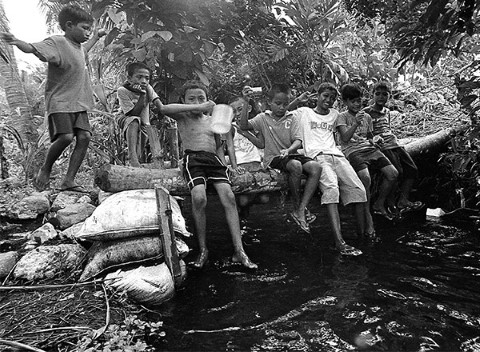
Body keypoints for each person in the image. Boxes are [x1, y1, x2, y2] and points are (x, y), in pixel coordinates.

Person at [1, 5, 105, 192]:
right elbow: (33, 48)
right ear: (69, 25)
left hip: (79, 102)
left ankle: (69, 180)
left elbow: (85, 51)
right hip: (61, 101)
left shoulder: (79, 47)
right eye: (85, 28)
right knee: (66, 137)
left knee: (85, 137)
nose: (88, 33)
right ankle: (45, 169)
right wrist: (16, 41)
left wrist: (97, 36)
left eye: (90, 29)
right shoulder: (57, 43)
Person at [170, 80, 257, 270]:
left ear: (208, 100)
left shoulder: (213, 121)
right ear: (184, 101)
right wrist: (199, 106)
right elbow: (163, 109)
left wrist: (227, 167)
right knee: (199, 197)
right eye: (191, 99)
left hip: (214, 161)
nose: (197, 102)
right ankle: (203, 250)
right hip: (193, 159)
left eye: (201, 98)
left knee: (229, 197)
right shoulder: (183, 117)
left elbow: (219, 146)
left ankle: (239, 251)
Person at [290, 82, 366, 255]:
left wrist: (355, 123)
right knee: (331, 189)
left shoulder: (335, 114)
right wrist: (297, 100)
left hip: (337, 156)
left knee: (359, 190)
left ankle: (363, 238)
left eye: (332, 98)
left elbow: (345, 138)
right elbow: (283, 112)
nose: (329, 100)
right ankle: (339, 242)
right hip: (318, 156)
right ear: (318, 96)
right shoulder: (304, 112)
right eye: (325, 96)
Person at [239, 83, 321, 234]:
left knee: (316, 167)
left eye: (285, 104)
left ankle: (301, 208)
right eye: (278, 103)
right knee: (296, 166)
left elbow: (298, 141)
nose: (282, 107)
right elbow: (243, 126)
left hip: (289, 154)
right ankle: (296, 206)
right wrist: (246, 102)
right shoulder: (263, 118)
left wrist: (289, 149)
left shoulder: (292, 117)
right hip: (273, 158)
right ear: (269, 103)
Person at [116, 62, 214, 167]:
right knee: (134, 121)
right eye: (139, 77)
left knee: (142, 141)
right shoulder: (122, 90)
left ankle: (137, 164)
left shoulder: (148, 88)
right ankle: (132, 159)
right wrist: (142, 94)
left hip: (143, 120)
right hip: (125, 117)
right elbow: (132, 113)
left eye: (147, 78)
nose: (143, 81)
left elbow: (162, 108)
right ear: (129, 78)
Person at [336, 83, 399, 237]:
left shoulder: (368, 117)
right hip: (352, 151)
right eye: (353, 101)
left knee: (393, 173)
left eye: (359, 101)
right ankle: (368, 218)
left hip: (370, 150)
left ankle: (379, 204)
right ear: (346, 102)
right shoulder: (342, 117)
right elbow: (344, 138)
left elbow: (369, 138)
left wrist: (375, 140)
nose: (357, 104)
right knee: (365, 178)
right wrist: (356, 122)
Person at [364, 81, 424, 214]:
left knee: (412, 169)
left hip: (395, 144)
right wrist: (373, 141)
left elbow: (388, 129)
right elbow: (364, 134)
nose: (381, 97)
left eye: (384, 94)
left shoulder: (387, 112)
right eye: (377, 94)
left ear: (389, 96)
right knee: (397, 172)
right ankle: (382, 203)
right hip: (382, 146)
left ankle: (403, 200)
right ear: (372, 95)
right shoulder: (366, 113)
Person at [223, 96, 269, 220]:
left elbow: (261, 144)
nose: (237, 114)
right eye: (233, 111)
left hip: (256, 164)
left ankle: (247, 205)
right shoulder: (231, 127)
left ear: (248, 108)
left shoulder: (255, 124)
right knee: (243, 200)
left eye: (240, 109)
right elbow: (230, 147)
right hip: (242, 165)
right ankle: (243, 208)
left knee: (265, 199)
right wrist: (234, 166)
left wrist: (245, 132)